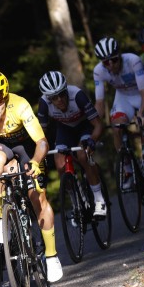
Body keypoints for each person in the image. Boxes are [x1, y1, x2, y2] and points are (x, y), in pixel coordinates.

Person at [0, 69, 63, 283]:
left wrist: (35, 162)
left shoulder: (19, 105)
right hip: (0, 145)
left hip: (26, 145)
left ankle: (51, 256)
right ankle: (4, 219)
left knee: (37, 198)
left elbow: (42, 142)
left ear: (6, 97)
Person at [92, 37, 144, 198]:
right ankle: (128, 170)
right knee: (116, 129)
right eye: (106, 62)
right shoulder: (98, 71)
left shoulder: (133, 61)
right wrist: (94, 124)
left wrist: (141, 115)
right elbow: (99, 103)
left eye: (114, 60)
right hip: (124, 98)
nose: (111, 65)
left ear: (119, 55)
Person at [36, 70, 107, 218]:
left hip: (84, 126)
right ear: (48, 98)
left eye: (62, 94)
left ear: (66, 90)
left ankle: (99, 200)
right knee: (60, 164)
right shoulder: (44, 104)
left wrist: (92, 140)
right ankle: (76, 205)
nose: (59, 100)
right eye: (54, 97)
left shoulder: (77, 95)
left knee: (82, 156)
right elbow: (40, 134)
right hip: (65, 129)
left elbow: (99, 125)